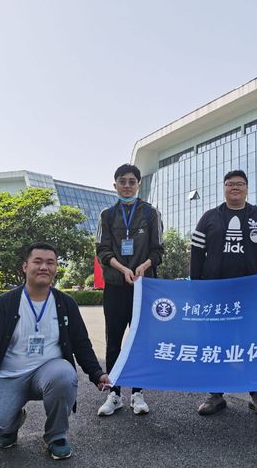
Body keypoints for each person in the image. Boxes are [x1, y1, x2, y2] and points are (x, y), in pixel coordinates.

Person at [0, 242, 110, 460]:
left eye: (50, 262)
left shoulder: (65, 303)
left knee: (64, 374)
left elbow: (81, 343)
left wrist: (96, 373)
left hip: (48, 374)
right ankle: (12, 421)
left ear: (56, 268)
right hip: (10, 376)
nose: (44, 267)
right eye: (37, 262)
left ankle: (56, 436)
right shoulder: (4, 304)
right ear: (25, 266)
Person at [190, 169, 257, 417]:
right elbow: (196, 253)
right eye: (230, 184)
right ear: (224, 188)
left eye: (239, 184)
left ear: (247, 188)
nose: (235, 187)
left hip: (253, 295)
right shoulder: (209, 217)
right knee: (217, 343)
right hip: (217, 294)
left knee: (254, 343)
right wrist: (197, 287)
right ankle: (215, 394)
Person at [96, 163, 163, 416]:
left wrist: (143, 266)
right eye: (122, 181)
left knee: (140, 341)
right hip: (115, 285)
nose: (127, 185)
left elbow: (158, 251)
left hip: (143, 288)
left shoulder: (151, 213)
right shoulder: (107, 215)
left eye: (132, 181)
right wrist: (123, 269)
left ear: (138, 185)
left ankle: (137, 393)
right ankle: (114, 394)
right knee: (114, 341)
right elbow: (102, 250)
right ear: (114, 185)